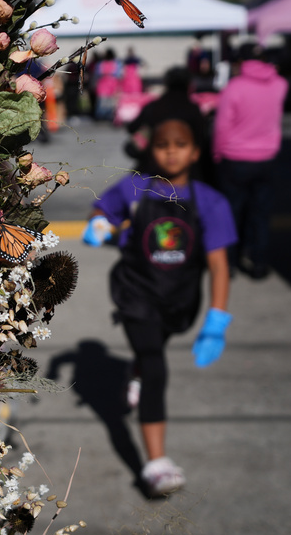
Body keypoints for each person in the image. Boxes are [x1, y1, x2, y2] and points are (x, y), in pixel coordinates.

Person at [83, 114, 236, 497]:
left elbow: (219, 266)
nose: (171, 153)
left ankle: (135, 370)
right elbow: (104, 210)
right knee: (156, 367)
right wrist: (99, 224)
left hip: (179, 301)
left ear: (195, 152)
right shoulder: (134, 189)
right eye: (163, 145)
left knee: (152, 351)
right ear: (152, 150)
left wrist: (216, 320)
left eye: (180, 145)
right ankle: (156, 464)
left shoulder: (212, 203)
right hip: (135, 294)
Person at [212, 44, 288, 279]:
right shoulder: (280, 85)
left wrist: (216, 153)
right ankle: (259, 263)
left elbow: (222, 126)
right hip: (266, 158)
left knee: (232, 213)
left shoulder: (235, 87)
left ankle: (231, 264)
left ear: (239, 62)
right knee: (261, 214)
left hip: (235, 158)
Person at [94, 49, 121, 121]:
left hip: (110, 84)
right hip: (105, 84)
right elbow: (98, 73)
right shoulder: (102, 63)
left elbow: (117, 74)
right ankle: (102, 116)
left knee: (109, 102)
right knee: (103, 101)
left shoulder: (114, 63)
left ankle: (107, 116)